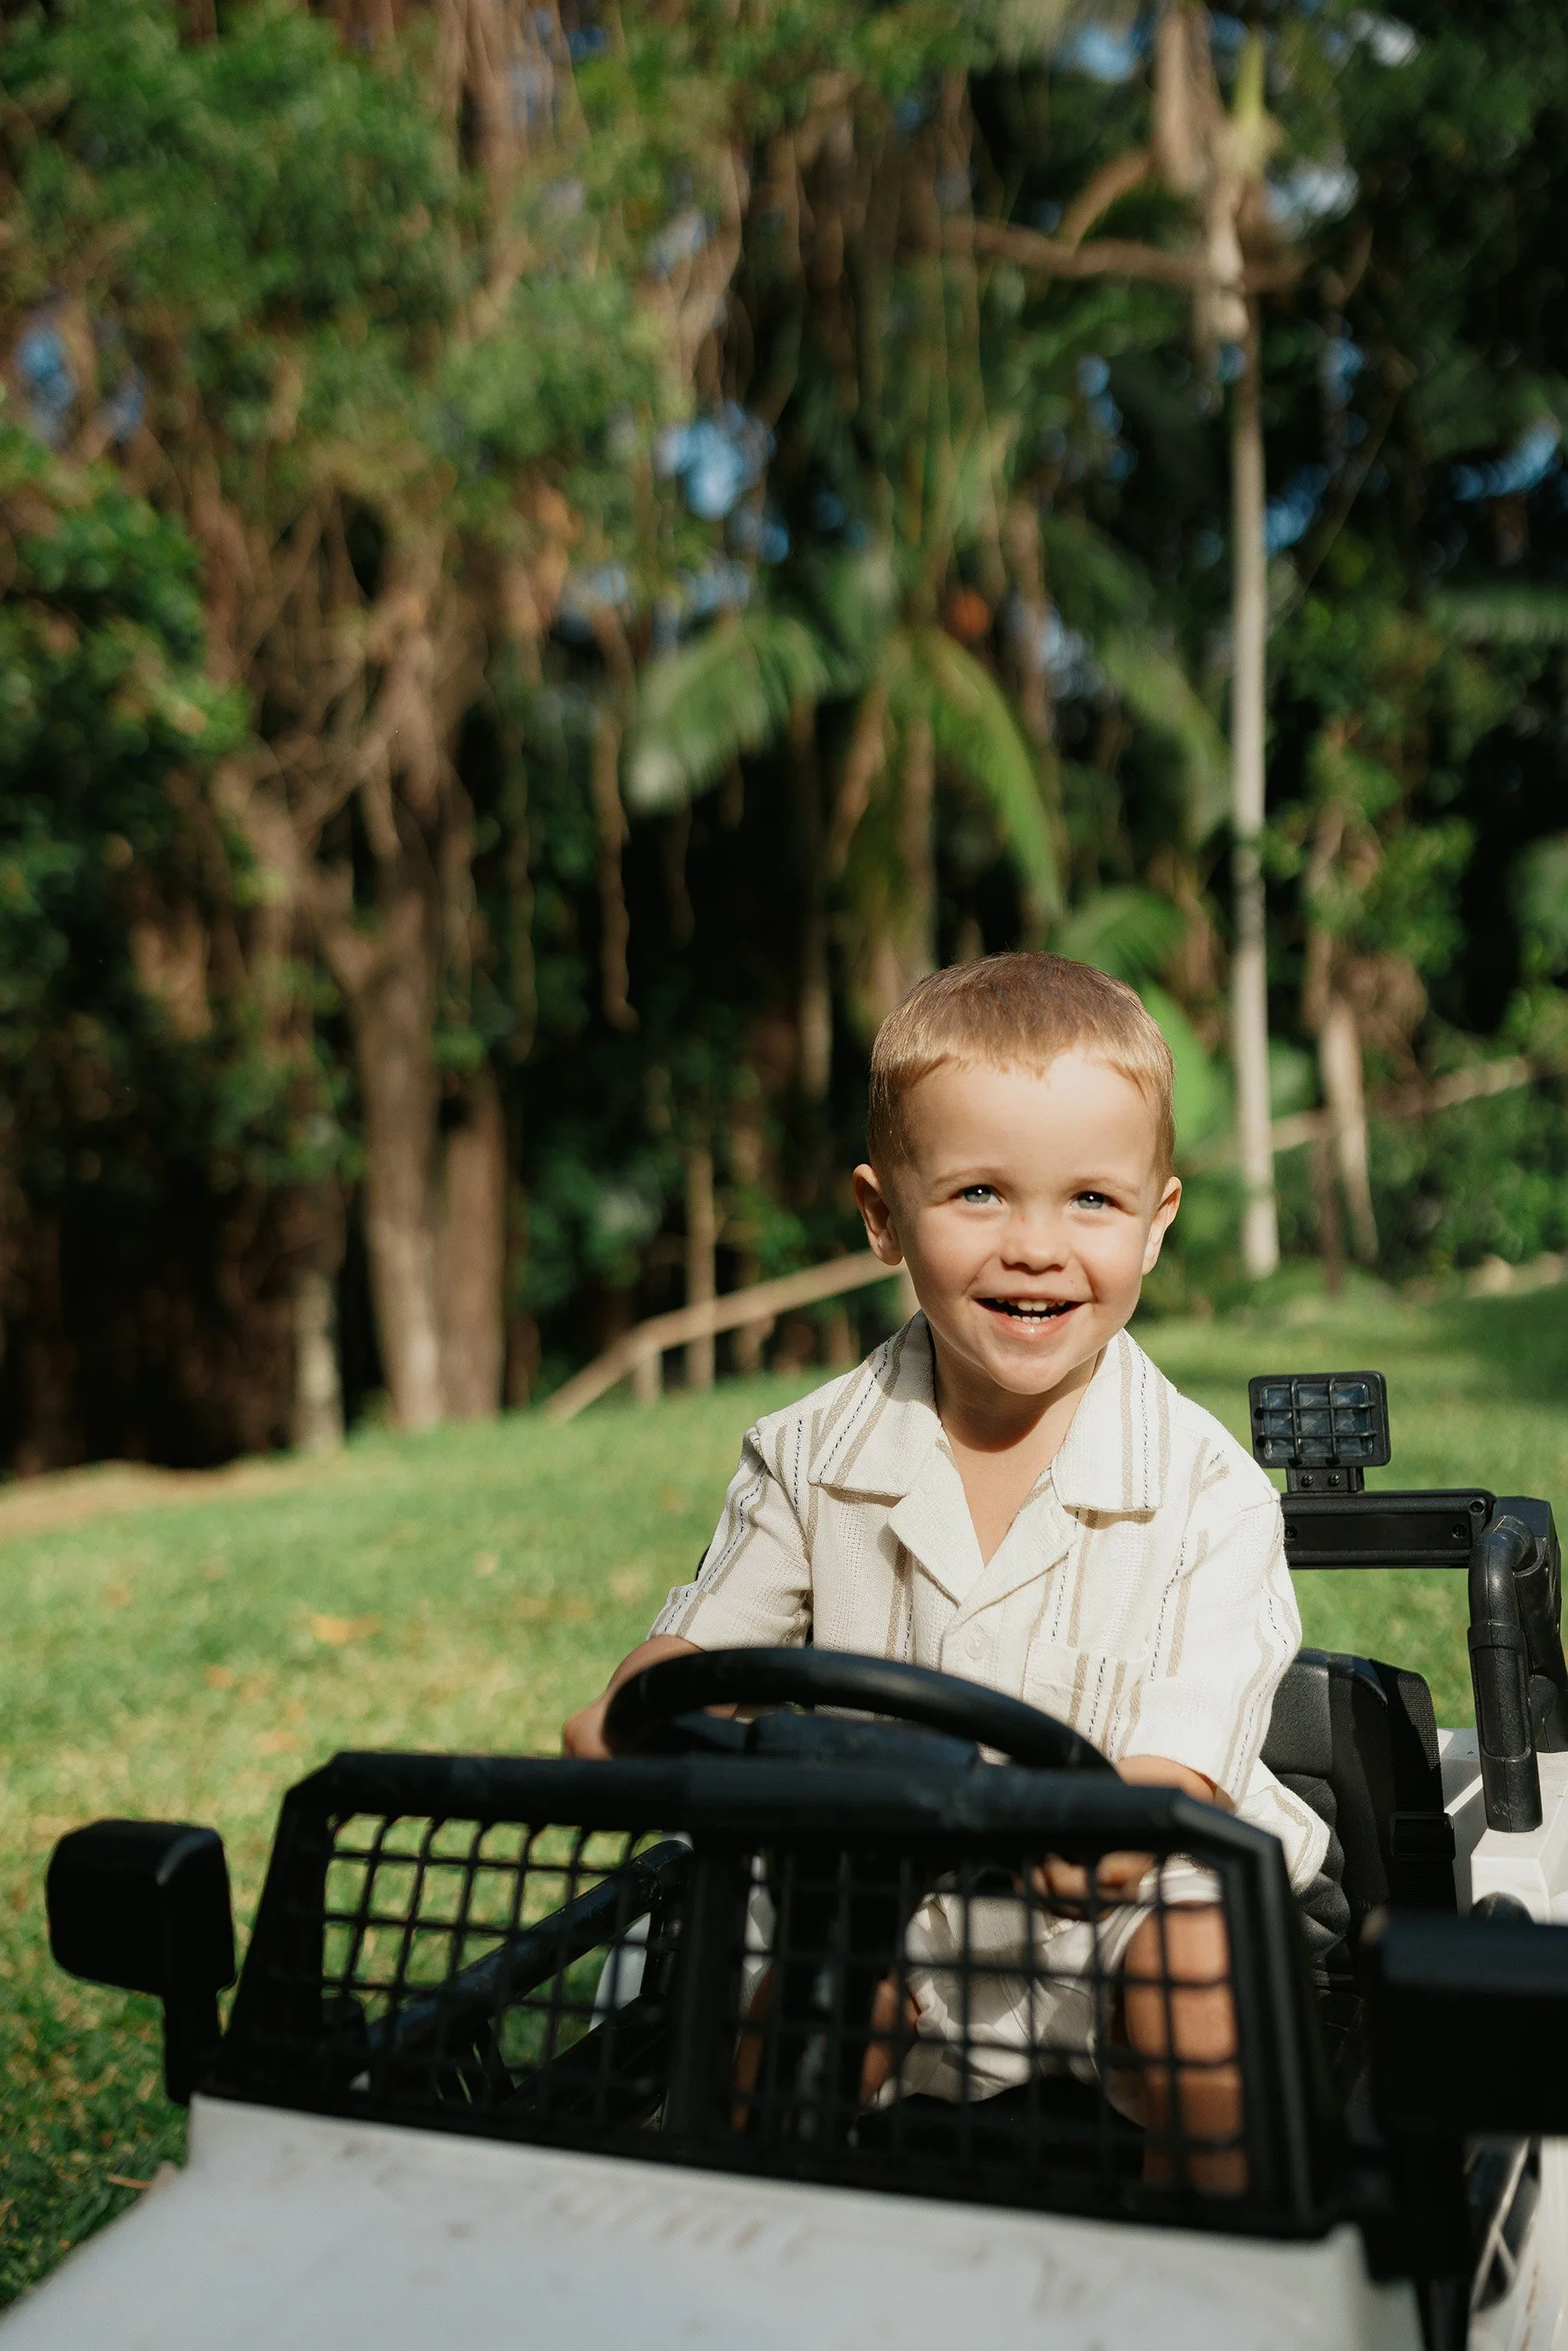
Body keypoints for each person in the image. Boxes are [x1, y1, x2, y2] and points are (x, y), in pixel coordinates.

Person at [563, 953, 1326, 2189]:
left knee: (1200, 1963)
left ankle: (1228, 2253)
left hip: (1108, 1915)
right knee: (783, 1998)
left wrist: (1106, 1825)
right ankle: (740, 2235)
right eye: (979, 1192)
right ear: (881, 1214)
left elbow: (1181, 1763)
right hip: (868, 1901)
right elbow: (705, 1646)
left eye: (1091, 1201)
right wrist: (645, 1695)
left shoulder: (1210, 1493)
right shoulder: (809, 1459)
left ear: (1159, 1221)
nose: (1037, 1247)